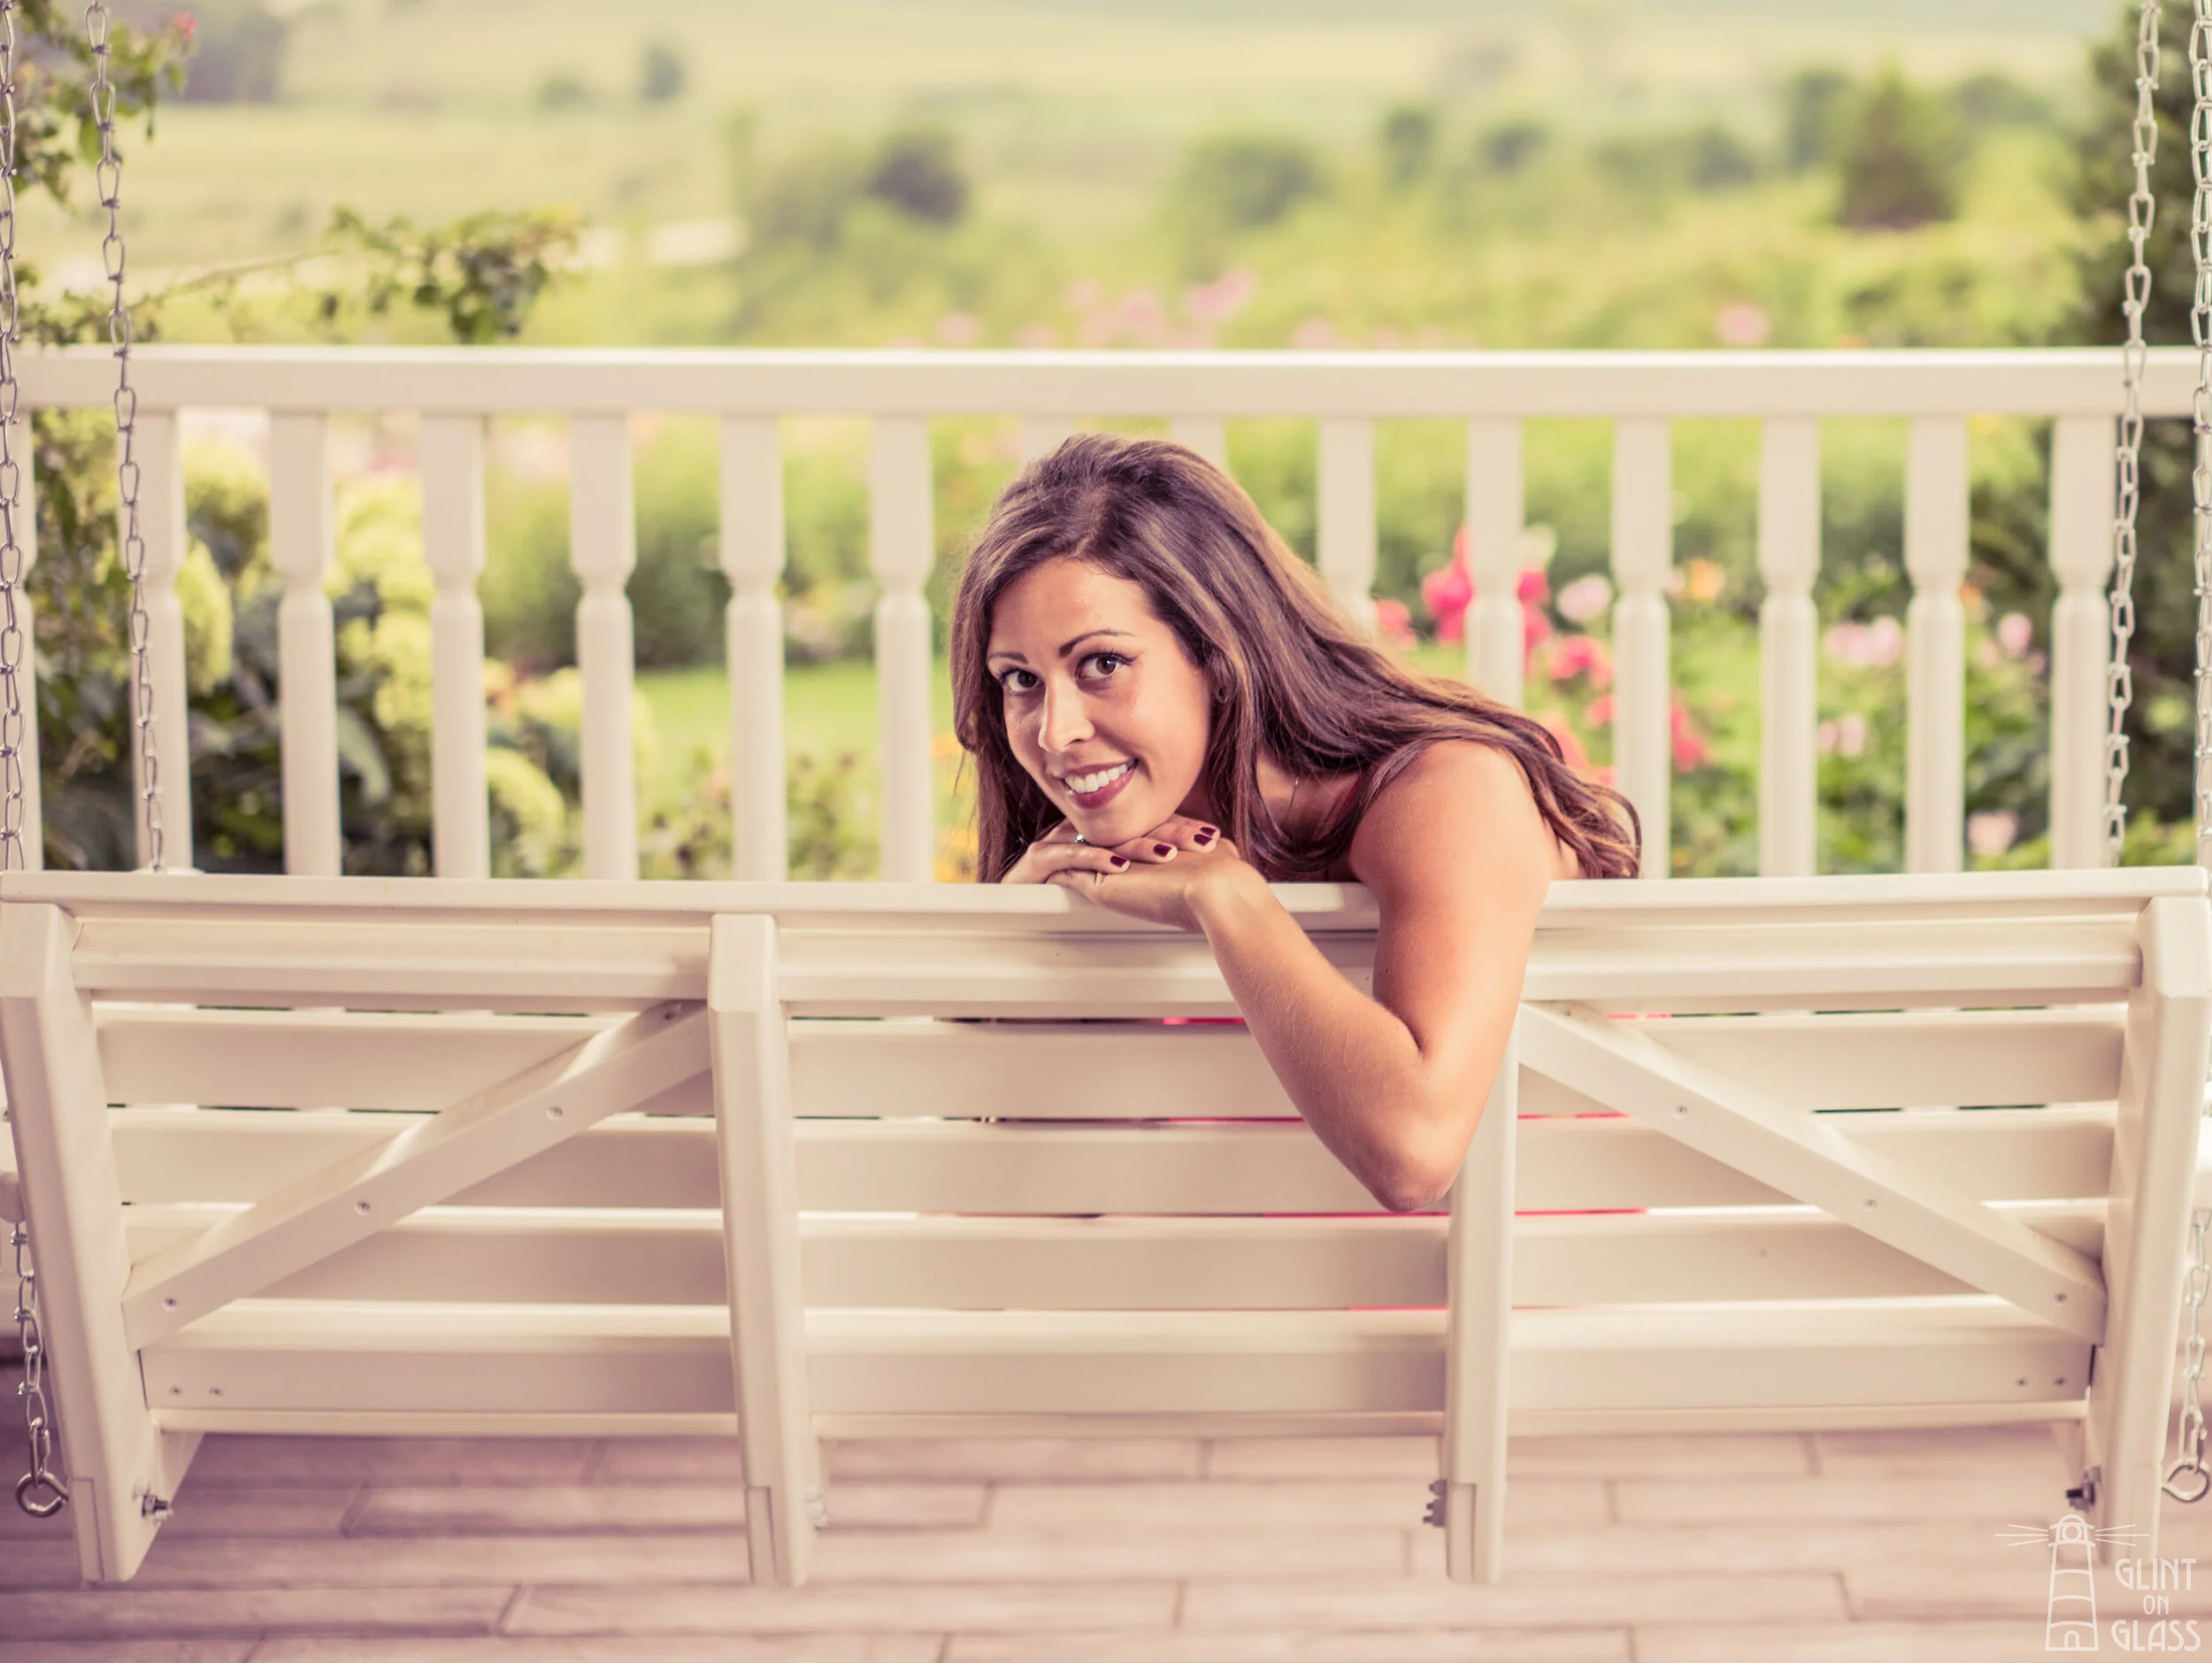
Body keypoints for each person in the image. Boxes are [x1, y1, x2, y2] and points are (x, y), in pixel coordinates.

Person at [949, 433, 1640, 1213]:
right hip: (1253, 1311)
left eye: (1102, 664)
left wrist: (1232, 900)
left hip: (1492, 1318)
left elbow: (1417, 1151)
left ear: (1218, 650)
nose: (1053, 731)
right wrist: (1026, 956)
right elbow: (1032, 1211)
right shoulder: (1115, 867)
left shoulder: (1449, 791)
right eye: (1019, 680)